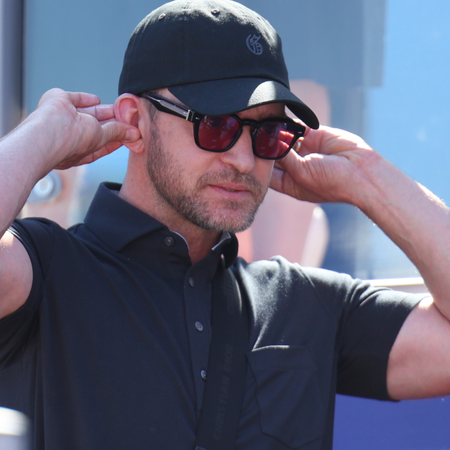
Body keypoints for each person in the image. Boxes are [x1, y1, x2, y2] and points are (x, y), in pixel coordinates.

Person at [1, 0, 450, 449]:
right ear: (135, 121)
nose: (242, 158)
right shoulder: (45, 271)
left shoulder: (304, 302)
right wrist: (41, 139)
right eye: (215, 125)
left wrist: (369, 181)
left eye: (267, 133)